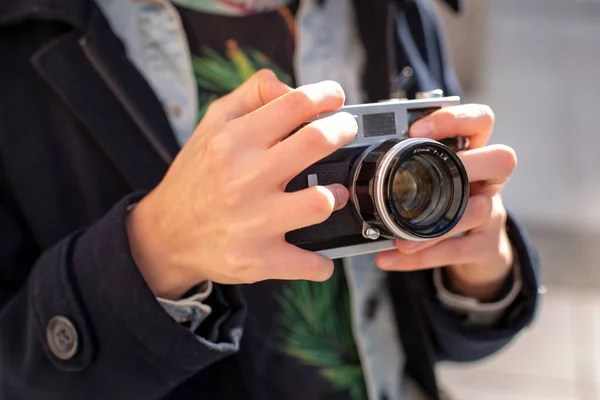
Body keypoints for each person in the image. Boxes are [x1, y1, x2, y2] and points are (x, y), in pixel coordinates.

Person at [0, 0, 540, 399]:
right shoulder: (24, 37)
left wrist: (480, 276)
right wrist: (156, 249)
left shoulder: (394, 11)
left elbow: (414, 324)